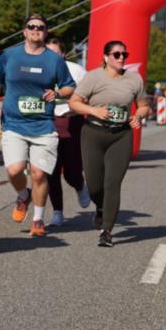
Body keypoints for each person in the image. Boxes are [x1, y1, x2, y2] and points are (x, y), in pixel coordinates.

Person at [0, 15, 76, 237]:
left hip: (43, 125)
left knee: (38, 174)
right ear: (24, 32)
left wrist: (56, 93)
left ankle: (38, 220)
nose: (36, 30)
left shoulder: (54, 60)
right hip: (14, 124)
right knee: (14, 170)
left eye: (41, 27)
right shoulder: (10, 55)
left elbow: (69, 87)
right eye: (32, 27)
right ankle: (23, 195)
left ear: (45, 33)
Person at [68, 40, 151, 247]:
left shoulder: (134, 79)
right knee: (95, 185)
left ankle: (106, 230)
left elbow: (143, 106)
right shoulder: (94, 77)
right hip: (93, 133)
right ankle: (101, 208)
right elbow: (74, 103)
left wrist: (138, 116)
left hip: (120, 135)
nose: (121, 57)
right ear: (106, 57)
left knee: (112, 183)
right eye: (116, 54)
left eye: (124, 54)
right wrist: (94, 110)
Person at [46, 36, 90, 226]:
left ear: (63, 54)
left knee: (71, 171)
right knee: (51, 171)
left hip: (72, 121)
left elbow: (90, 94)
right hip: (47, 122)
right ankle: (57, 211)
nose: (52, 57)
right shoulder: (39, 70)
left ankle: (79, 185)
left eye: (55, 53)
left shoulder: (77, 70)